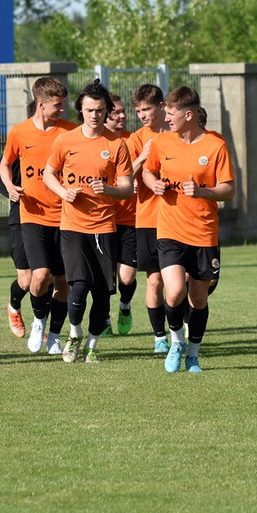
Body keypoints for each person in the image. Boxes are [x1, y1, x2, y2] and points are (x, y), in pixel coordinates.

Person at [141, 87, 235, 373]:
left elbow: (229, 191)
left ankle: (193, 354)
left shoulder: (215, 146)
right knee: (173, 293)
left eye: (170, 113)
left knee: (198, 298)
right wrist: (152, 183)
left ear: (189, 114)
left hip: (204, 233)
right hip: (169, 229)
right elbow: (147, 171)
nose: (166, 118)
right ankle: (177, 340)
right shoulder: (161, 143)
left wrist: (203, 192)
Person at [42, 81, 133, 362]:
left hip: (104, 227)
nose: (94, 115)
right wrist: (62, 192)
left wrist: (108, 189)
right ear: (80, 110)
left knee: (102, 293)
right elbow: (48, 174)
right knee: (78, 285)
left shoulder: (116, 144)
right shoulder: (65, 140)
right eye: (89, 109)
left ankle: (93, 344)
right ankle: (75, 334)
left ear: (107, 111)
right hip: (72, 225)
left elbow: (128, 188)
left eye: (100, 110)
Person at [0, 77, 75, 355]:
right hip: (32, 216)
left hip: (66, 218)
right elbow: (6, 164)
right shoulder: (19, 133)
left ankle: (55, 334)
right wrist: (10, 186)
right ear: (40, 104)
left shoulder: (70, 132)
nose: (62, 110)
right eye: (57, 105)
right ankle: (39, 323)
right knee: (39, 275)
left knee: (63, 282)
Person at [127, 84, 170, 353]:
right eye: (139, 110)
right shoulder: (136, 139)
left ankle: (184, 326)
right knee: (154, 280)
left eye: (147, 109)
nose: (143, 115)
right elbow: (123, 176)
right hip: (148, 218)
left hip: (179, 218)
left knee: (185, 279)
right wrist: (142, 157)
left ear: (162, 106)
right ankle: (159, 337)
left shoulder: (178, 133)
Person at [0, 100, 37, 340]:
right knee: (27, 279)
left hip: (52, 217)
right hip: (21, 218)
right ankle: (14, 307)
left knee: (48, 277)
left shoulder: (58, 141)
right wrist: (11, 189)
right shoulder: (20, 141)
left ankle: (44, 327)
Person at [105, 94, 138, 335]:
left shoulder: (133, 140)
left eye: (123, 111)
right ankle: (103, 319)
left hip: (130, 219)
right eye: (115, 112)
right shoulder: (94, 141)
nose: (122, 116)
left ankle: (125, 305)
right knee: (104, 278)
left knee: (126, 277)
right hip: (102, 219)